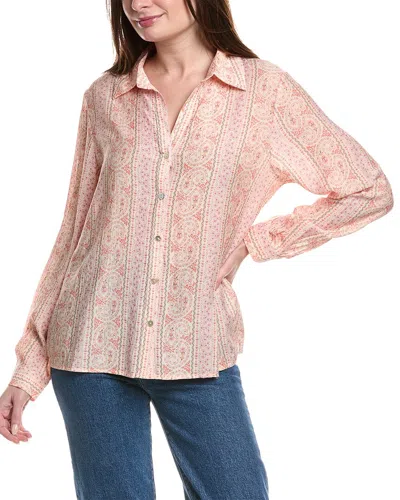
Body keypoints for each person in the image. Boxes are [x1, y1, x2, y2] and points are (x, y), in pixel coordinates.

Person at [0, 0, 394, 498]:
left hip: (195, 346)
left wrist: (257, 242)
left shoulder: (263, 92)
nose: (137, 4)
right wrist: (29, 369)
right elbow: (75, 233)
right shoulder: (106, 96)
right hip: (88, 349)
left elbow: (368, 189)